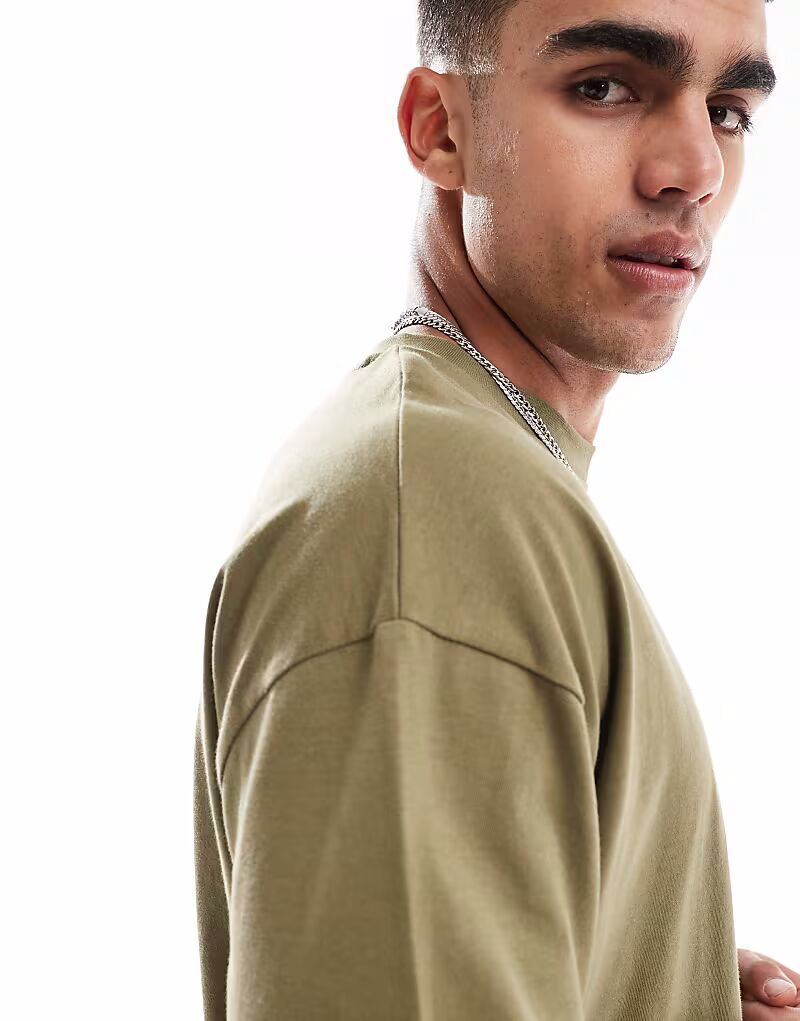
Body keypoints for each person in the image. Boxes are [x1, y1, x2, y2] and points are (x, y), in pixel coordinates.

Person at [193, 1, 796, 1018]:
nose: (693, 167)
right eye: (604, 87)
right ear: (441, 129)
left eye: (728, 108)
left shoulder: (480, 474)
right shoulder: (430, 512)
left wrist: (650, 982)